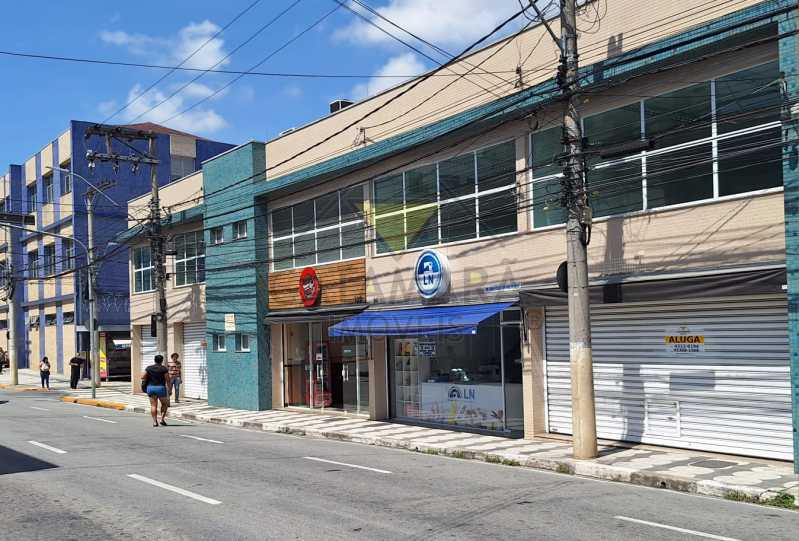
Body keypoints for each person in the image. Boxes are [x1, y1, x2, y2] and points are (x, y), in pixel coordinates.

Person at [141, 354, 171, 428]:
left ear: (154, 360)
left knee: (153, 405)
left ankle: (155, 422)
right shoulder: (164, 369)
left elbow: (142, 377)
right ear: (162, 361)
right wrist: (169, 389)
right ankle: (162, 419)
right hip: (160, 388)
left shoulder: (149, 368)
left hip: (151, 388)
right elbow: (168, 380)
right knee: (165, 404)